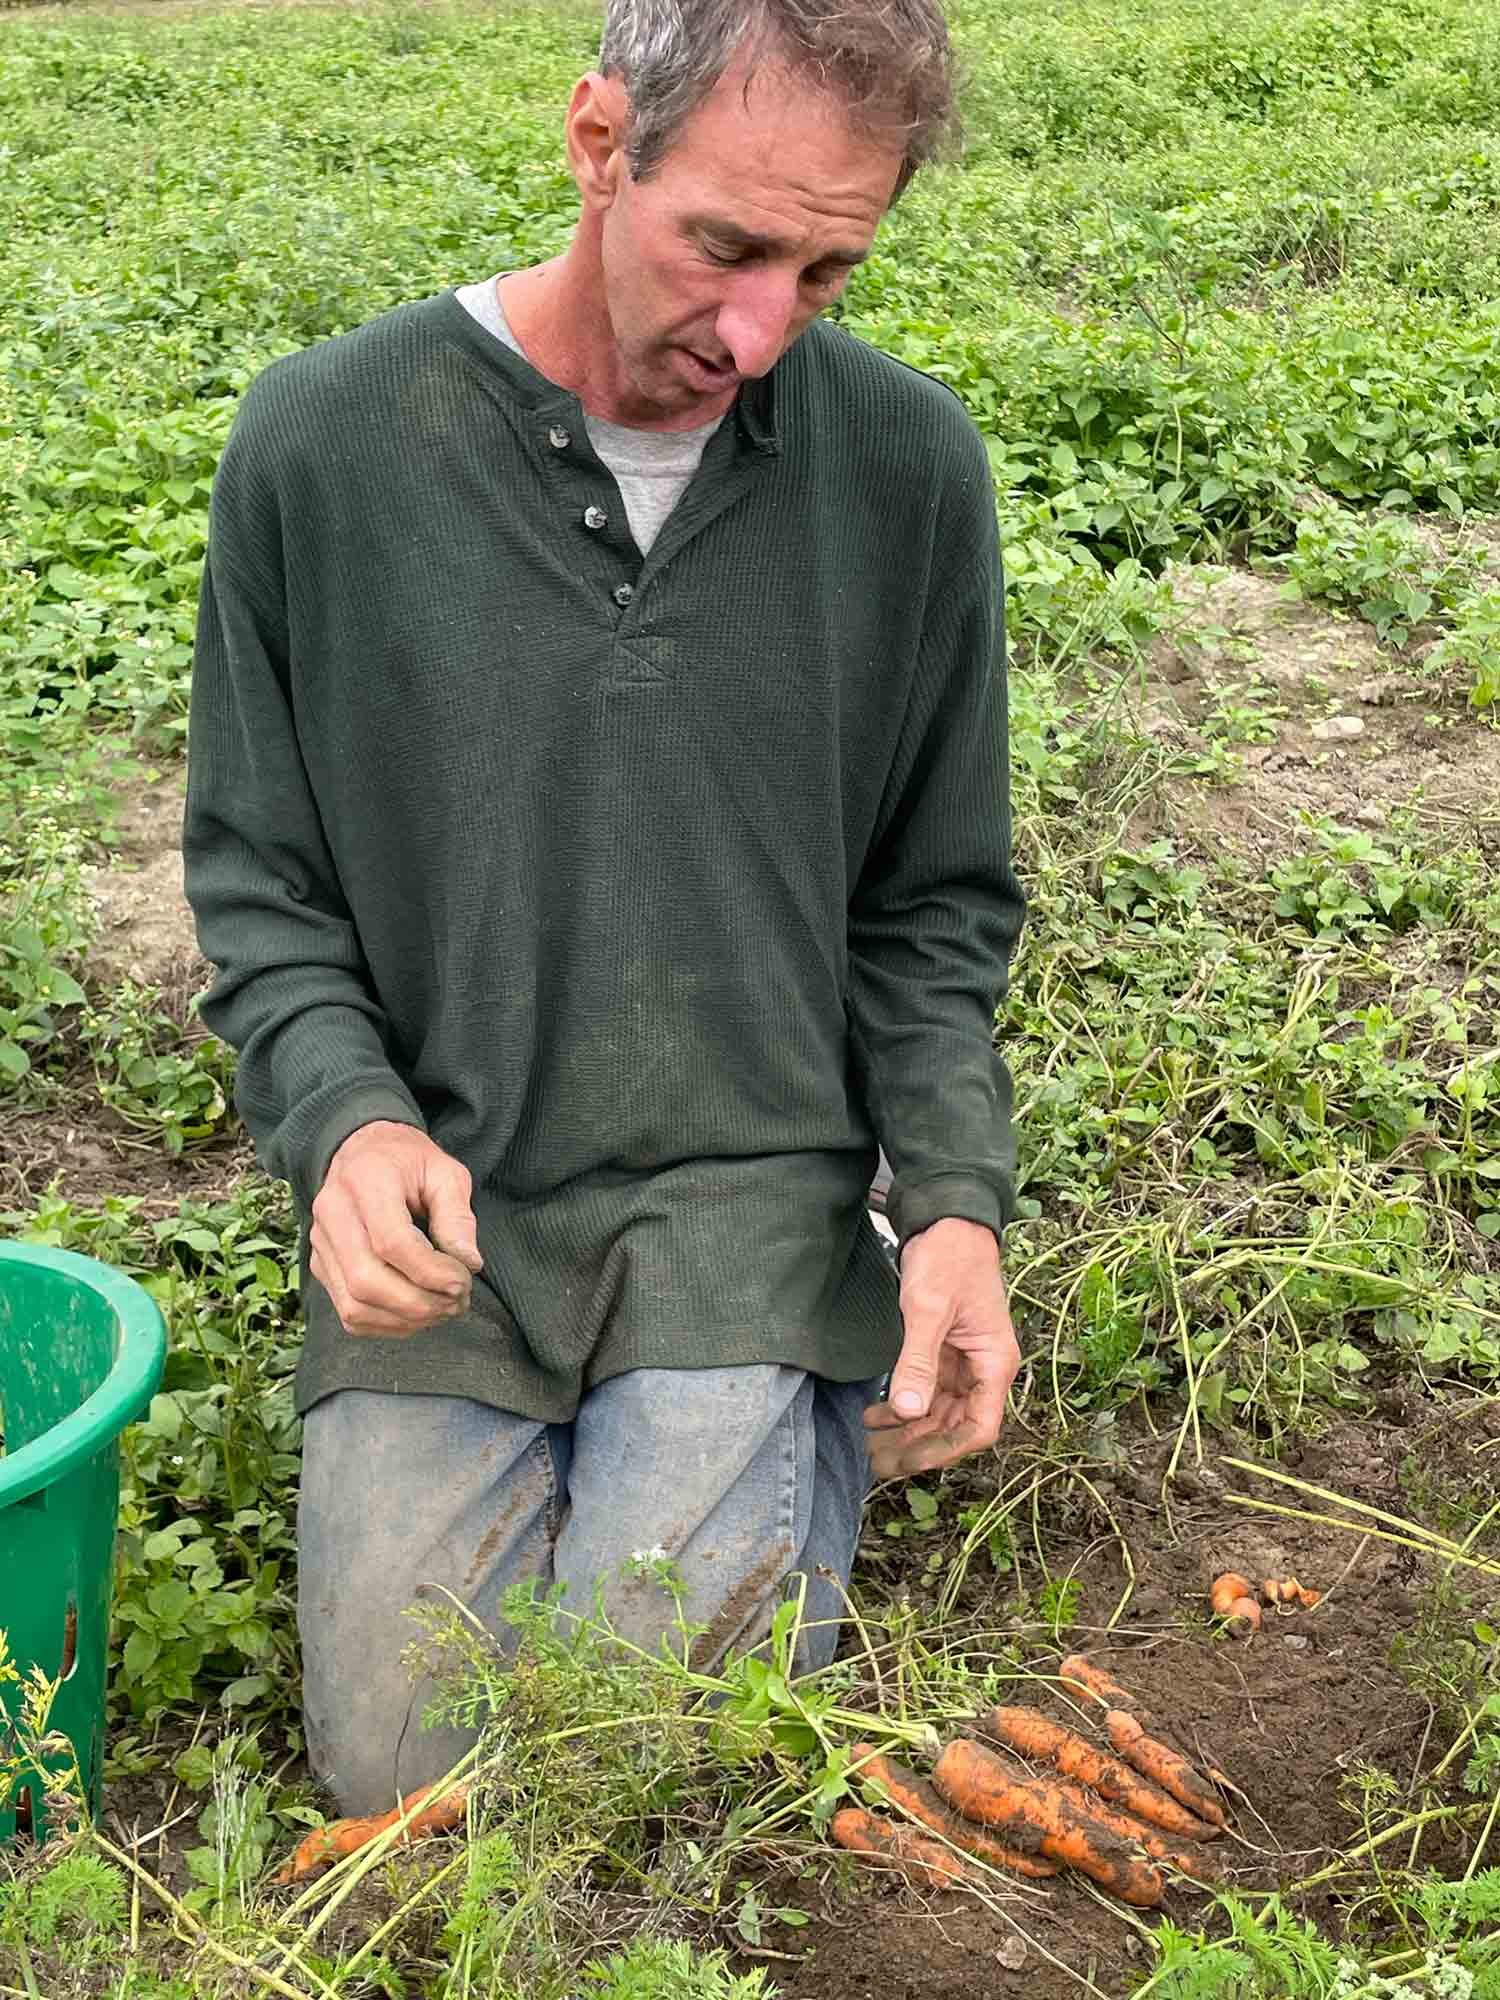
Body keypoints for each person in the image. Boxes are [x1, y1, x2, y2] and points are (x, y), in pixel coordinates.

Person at [182, 0, 1025, 1817]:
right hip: (463, 1213)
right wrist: (347, 1122)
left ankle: (809, 1349)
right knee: (407, 1792)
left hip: (747, 1198)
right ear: (595, 142)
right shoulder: (327, 445)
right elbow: (262, 884)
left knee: (628, 1772)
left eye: (827, 271)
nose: (758, 331)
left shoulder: (905, 471)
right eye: (723, 245)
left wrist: (954, 1204)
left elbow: (933, 907)